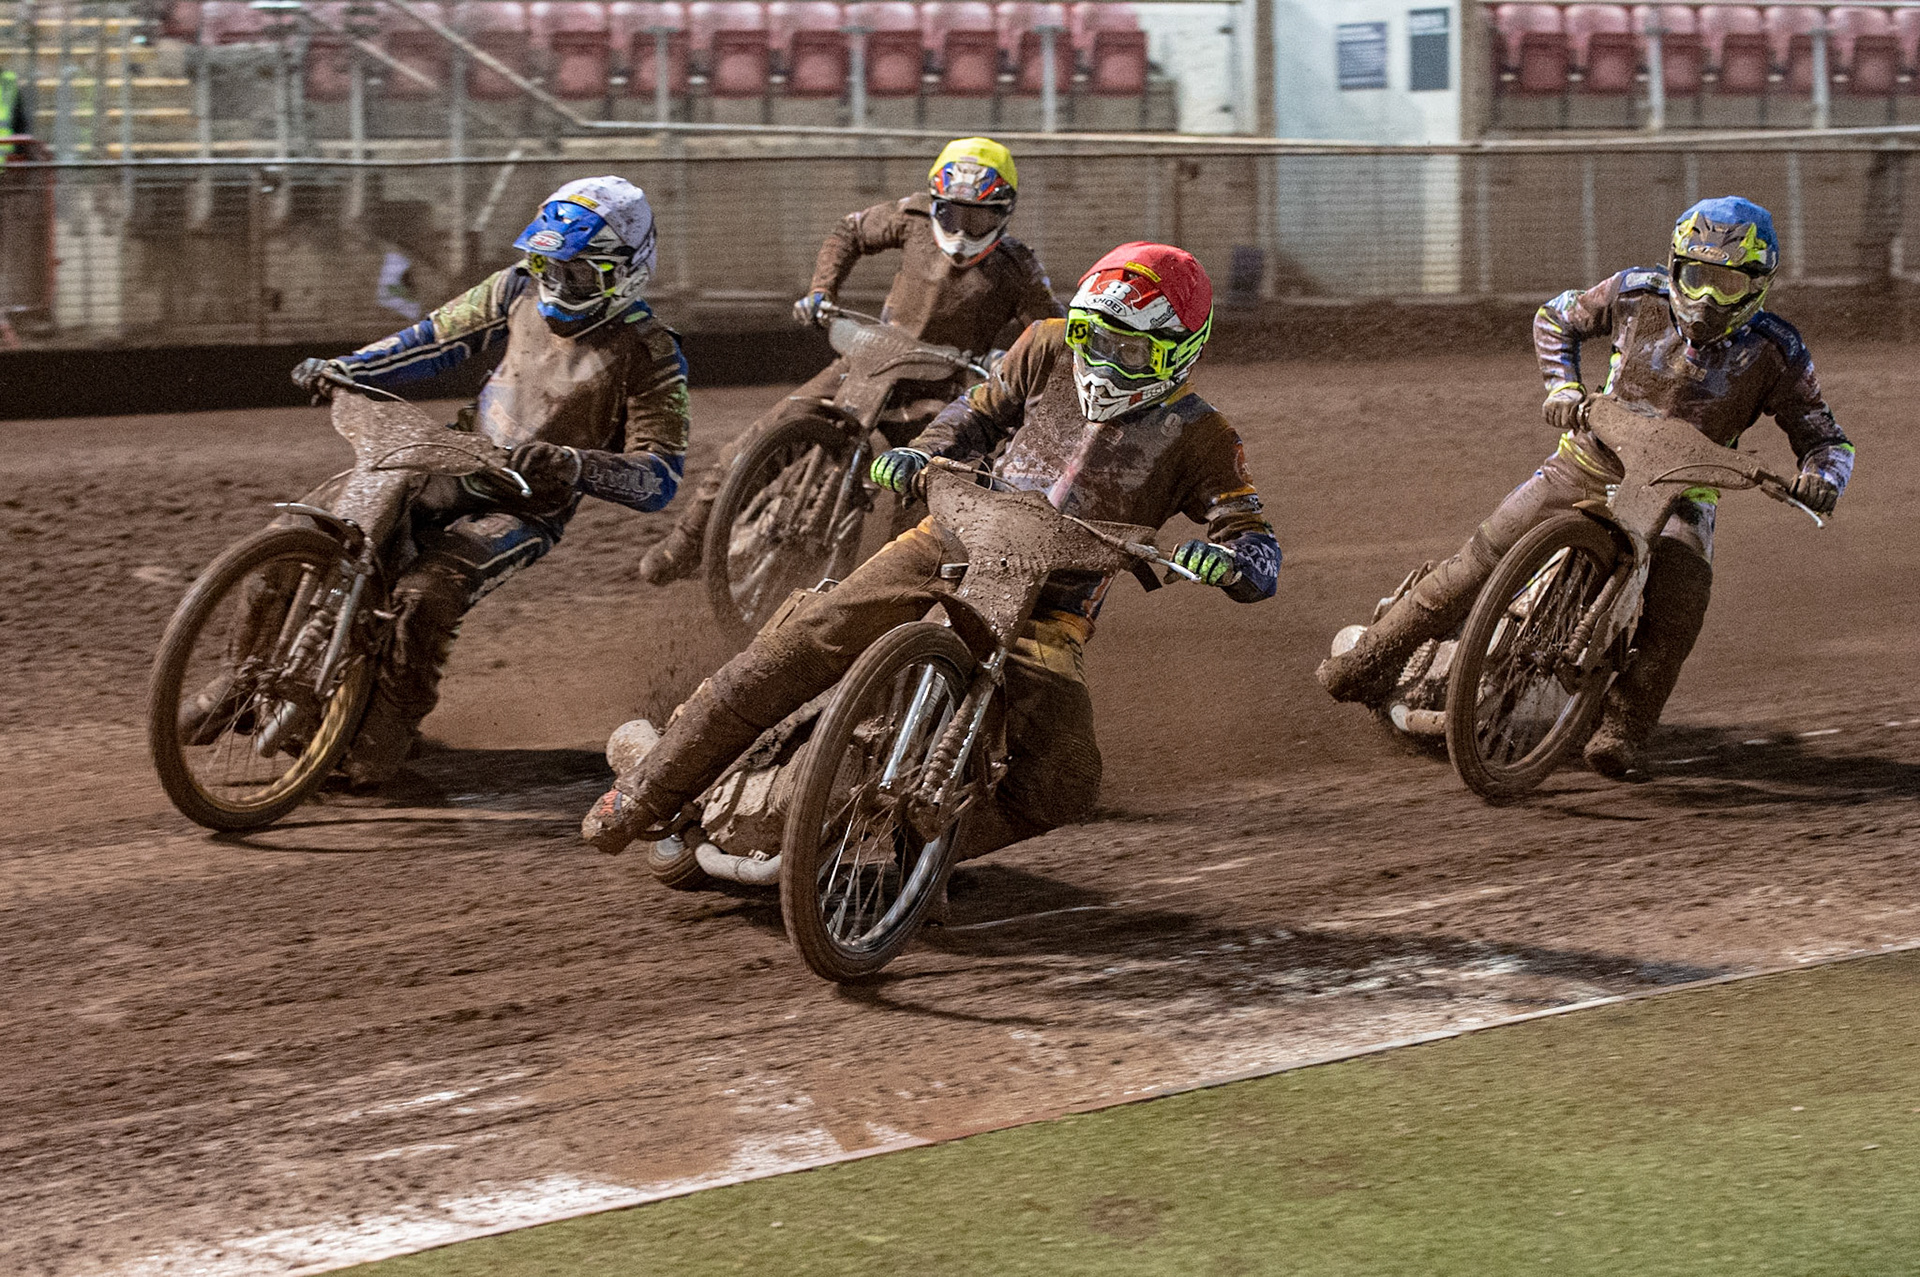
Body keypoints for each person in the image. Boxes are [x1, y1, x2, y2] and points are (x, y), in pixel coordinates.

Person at [587, 242, 1280, 856]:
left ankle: (914, 860)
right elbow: (972, 416)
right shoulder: (1044, 346)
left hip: (1052, 616)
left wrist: (1233, 562)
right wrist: (922, 452)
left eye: (1127, 350)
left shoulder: (1205, 436)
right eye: (1092, 337)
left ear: (1181, 349)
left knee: (1063, 784)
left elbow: (1254, 538)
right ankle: (644, 791)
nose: (1101, 358)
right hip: (950, 542)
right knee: (802, 641)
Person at [1316, 196, 1855, 781]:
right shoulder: (1634, 293)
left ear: (1757, 285)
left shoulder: (1780, 351)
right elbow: (1554, 317)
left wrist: (1822, 479)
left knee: (1678, 609)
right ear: (1674, 268)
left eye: (1725, 283)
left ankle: (1623, 728)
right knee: (1479, 561)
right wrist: (1562, 388)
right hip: (1587, 460)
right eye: (1696, 277)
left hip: (1683, 495)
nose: (1705, 298)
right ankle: (1371, 658)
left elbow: (1827, 439)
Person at [284, 176, 691, 786]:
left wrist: (573, 463)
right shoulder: (513, 288)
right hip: (453, 459)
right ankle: (237, 681)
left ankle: (386, 729)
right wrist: (348, 367)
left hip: (528, 506)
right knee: (305, 530)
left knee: (425, 595)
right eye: (548, 265)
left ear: (624, 271)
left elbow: (659, 477)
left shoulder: (652, 353)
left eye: (576, 274)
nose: (555, 283)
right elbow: (434, 339)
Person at [636, 136, 1064, 585]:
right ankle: (683, 545)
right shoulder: (911, 218)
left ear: (1003, 213)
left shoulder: (1018, 268)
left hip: (943, 387)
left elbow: (1050, 338)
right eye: (953, 215)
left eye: (978, 219)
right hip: (872, 360)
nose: (962, 231)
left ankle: (891, 590)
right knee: (758, 439)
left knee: (924, 490)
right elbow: (850, 231)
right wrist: (822, 291)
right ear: (936, 204)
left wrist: (1009, 362)